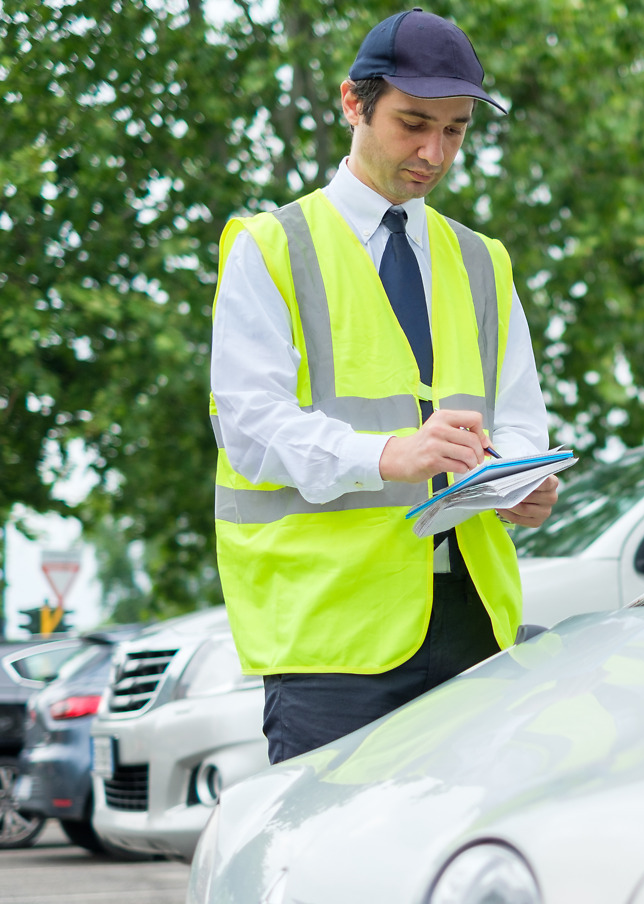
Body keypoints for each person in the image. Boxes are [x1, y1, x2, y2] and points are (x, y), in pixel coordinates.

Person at [208, 8, 559, 764]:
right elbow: (252, 429)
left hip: (473, 623)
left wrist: (520, 479)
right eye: (413, 124)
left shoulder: (481, 260)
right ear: (352, 103)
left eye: (457, 130)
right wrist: (386, 454)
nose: (434, 152)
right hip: (333, 640)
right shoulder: (269, 249)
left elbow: (521, 417)